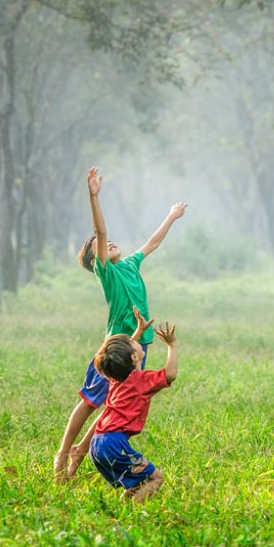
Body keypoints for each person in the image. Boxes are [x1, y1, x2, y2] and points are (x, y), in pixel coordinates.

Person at [53, 165, 186, 481]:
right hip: (116, 347)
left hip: (140, 344)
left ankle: (82, 452)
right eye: (98, 245)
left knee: (118, 403)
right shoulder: (107, 273)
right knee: (90, 402)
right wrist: (94, 196)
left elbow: (152, 243)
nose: (108, 242)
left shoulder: (129, 265)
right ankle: (63, 453)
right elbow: (100, 231)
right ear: (94, 259)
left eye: (107, 242)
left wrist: (171, 216)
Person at [89, 311, 177, 502]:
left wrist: (138, 331)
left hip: (97, 444)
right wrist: (172, 345)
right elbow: (170, 374)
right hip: (114, 444)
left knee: (137, 482)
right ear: (134, 357)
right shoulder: (141, 381)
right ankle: (131, 516)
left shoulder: (116, 377)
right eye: (132, 342)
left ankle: (122, 509)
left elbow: (120, 355)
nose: (133, 340)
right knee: (156, 478)